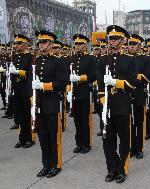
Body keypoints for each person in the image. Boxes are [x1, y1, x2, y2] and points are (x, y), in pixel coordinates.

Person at [97, 25, 137, 183]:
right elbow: (99, 84)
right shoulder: (102, 60)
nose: (112, 41)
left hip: (122, 105)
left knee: (124, 140)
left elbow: (133, 84)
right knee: (108, 140)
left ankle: (122, 169)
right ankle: (111, 169)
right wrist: (103, 102)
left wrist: (116, 82)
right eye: (111, 38)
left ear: (122, 40)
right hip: (106, 106)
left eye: (115, 39)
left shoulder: (130, 60)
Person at [32, 30, 68, 178]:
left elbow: (62, 82)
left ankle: (56, 164)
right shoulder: (37, 61)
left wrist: (45, 86)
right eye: (39, 42)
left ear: (51, 44)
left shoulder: (58, 61)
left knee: (53, 136)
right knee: (43, 137)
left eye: (44, 42)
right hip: (39, 104)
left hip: (52, 103)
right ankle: (46, 165)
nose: (41, 45)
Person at [70, 34, 97, 154]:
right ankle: (79, 143)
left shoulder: (90, 59)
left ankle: (86, 144)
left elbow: (93, 75)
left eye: (79, 44)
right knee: (77, 120)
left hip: (85, 92)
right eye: (76, 43)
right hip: (74, 92)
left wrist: (80, 78)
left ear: (85, 45)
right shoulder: (72, 58)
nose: (77, 46)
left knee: (84, 119)